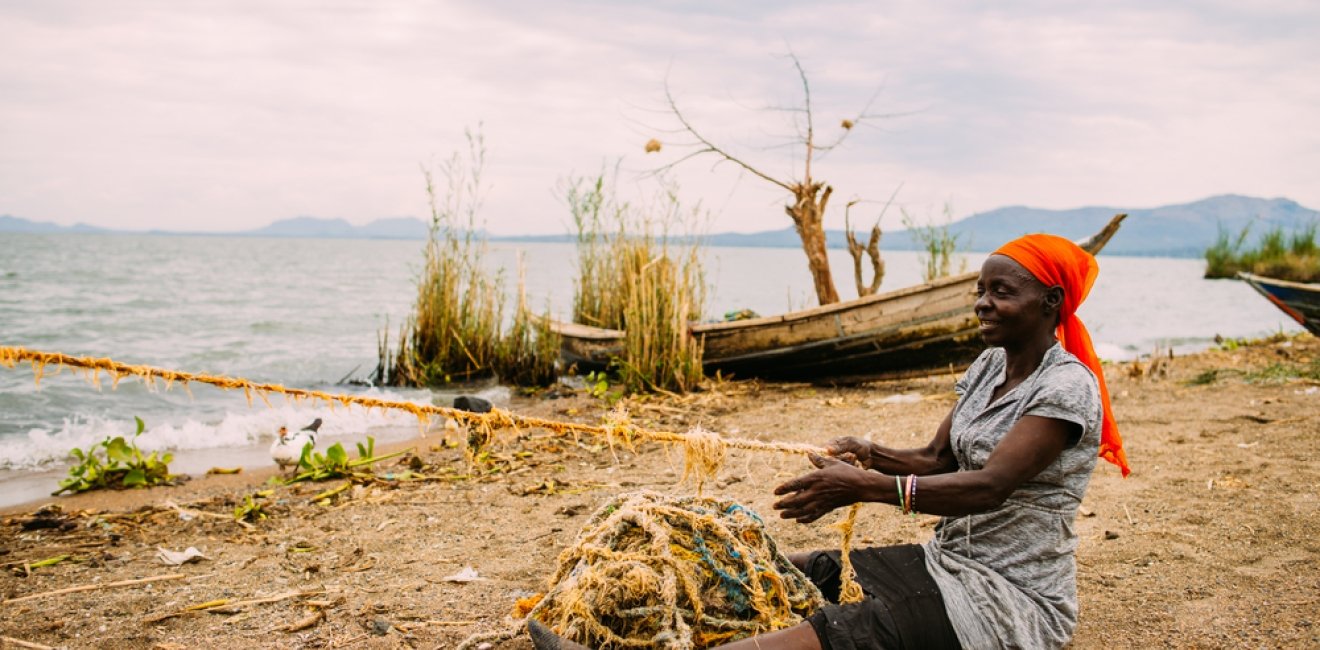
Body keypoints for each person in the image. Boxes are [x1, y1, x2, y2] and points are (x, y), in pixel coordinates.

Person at [529, 233, 1129, 650]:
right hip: (948, 562)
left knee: (846, 632)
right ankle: (613, 620)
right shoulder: (987, 367)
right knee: (801, 572)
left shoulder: (1066, 388)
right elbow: (936, 460)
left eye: (1002, 292)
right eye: (981, 289)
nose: (982, 302)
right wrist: (867, 452)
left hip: (1010, 600)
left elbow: (990, 485)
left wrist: (865, 487)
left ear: (1052, 301)